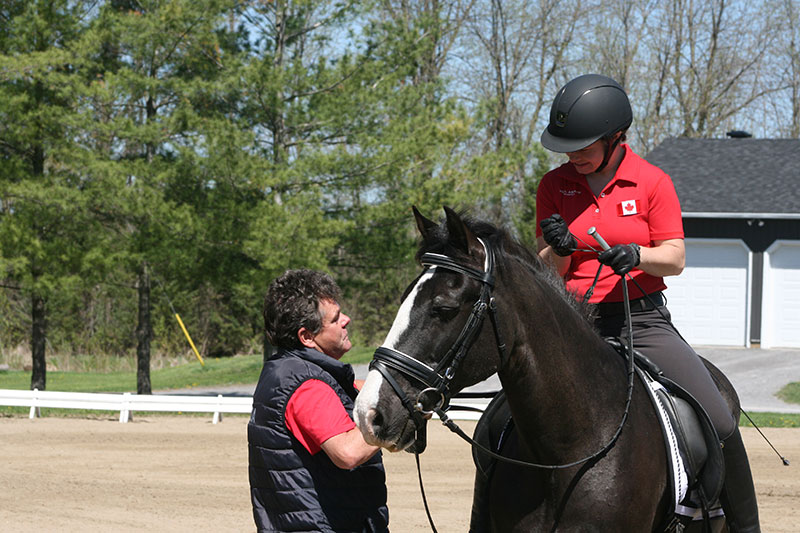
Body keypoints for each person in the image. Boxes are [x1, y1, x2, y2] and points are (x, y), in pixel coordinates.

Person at [535, 74, 760, 532]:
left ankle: (745, 526)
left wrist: (638, 255)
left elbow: (675, 259)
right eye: (566, 146)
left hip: (641, 319)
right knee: (505, 415)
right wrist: (557, 248)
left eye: (582, 145)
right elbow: (546, 272)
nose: (571, 154)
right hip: (574, 322)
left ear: (617, 137)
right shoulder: (554, 184)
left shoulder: (652, 182)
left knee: (717, 415)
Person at [248, 269, 389, 533]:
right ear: (307, 337)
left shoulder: (289, 371)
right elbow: (348, 452)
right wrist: (402, 416)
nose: (347, 320)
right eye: (336, 319)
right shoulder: (306, 385)